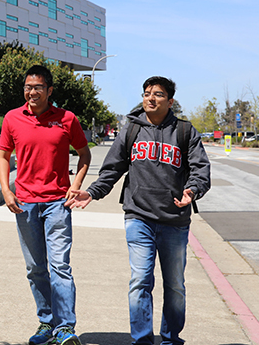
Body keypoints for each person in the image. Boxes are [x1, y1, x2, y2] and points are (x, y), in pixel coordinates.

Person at [66, 76, 211, 345]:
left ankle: (170, 339)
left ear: (170, 101)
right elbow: (112, 169)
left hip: (175, 221)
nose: (150, 98)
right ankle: (142, 340)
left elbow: (201, 170)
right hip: (138, 217)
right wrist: (92, 192)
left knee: (175, 285)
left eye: (157, 94)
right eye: (146, 94)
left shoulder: (185, 131)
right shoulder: (131, 130)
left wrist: (192, 190)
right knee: (140, 280)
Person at [0, 65, 91, 345]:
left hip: (58, 203)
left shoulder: (66, 119)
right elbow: (4, 156)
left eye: (38, 87)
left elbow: (84, 154)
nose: (32, 92)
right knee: (36, 268)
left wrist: (75, 185)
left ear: (49, 91)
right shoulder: (12, 118)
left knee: (60, 265)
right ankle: (46, 323)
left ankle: (65, 327)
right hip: (25, 203)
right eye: (28, 87)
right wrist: (6, 190)